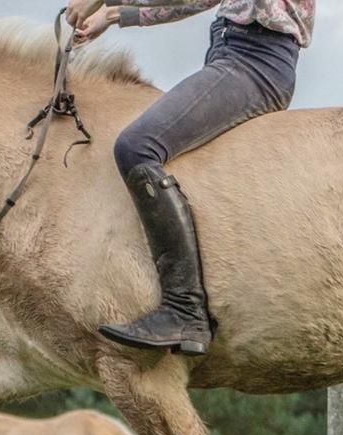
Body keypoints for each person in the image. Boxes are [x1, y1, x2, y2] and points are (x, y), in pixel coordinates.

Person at [65, 0, 315, 355]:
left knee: (137, 146)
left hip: (253, 61)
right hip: (232, 57)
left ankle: (185, 308)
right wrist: (115, 15)